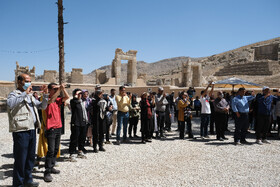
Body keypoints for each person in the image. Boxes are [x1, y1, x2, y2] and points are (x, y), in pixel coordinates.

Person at [7, 74, 48, 187]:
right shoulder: (14, 94)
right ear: (19, 82)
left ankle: (28, 180)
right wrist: (25, 93)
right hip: (21, 131)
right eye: (27, 81)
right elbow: (10, 104)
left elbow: (42, 106)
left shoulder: (30, 96)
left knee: (30, 157)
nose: (29, 83)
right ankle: (18, 184)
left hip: (31, 129)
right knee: (20, 159)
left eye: (30, 81)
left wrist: (45, 95)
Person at [44, 83, 69, 182]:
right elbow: (51, 100)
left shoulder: (58, 100)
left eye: (56, 89)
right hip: (51, 129)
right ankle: (47, 171)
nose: (56, 90)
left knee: (55, 149)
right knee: (50, 151)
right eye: (54, 88)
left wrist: (62, 89)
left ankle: (52, 166)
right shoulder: (46, 99)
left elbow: (67, 97)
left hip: (58, 127)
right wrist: (59, 89)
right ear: (49, 90)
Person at [69, 89, 88, 161]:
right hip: (76, 122)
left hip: (83, 122)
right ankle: (72, 153)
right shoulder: (73, 101)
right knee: (74, 138)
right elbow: (74, 103)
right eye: (79, 93)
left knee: (82, 138)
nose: (81, 94)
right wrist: (76, 96)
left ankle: (80, 151)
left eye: (81, 93)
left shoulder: (82, 102)